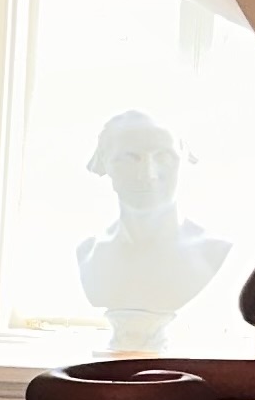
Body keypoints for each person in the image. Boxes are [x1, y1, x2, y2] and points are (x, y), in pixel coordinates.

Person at [75, 110, 232, 352]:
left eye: (164, 156)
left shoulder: (214, 253)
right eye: (129, 159)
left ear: (183, 157)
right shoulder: (88, 254)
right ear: (104, 162)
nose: (147, 175)